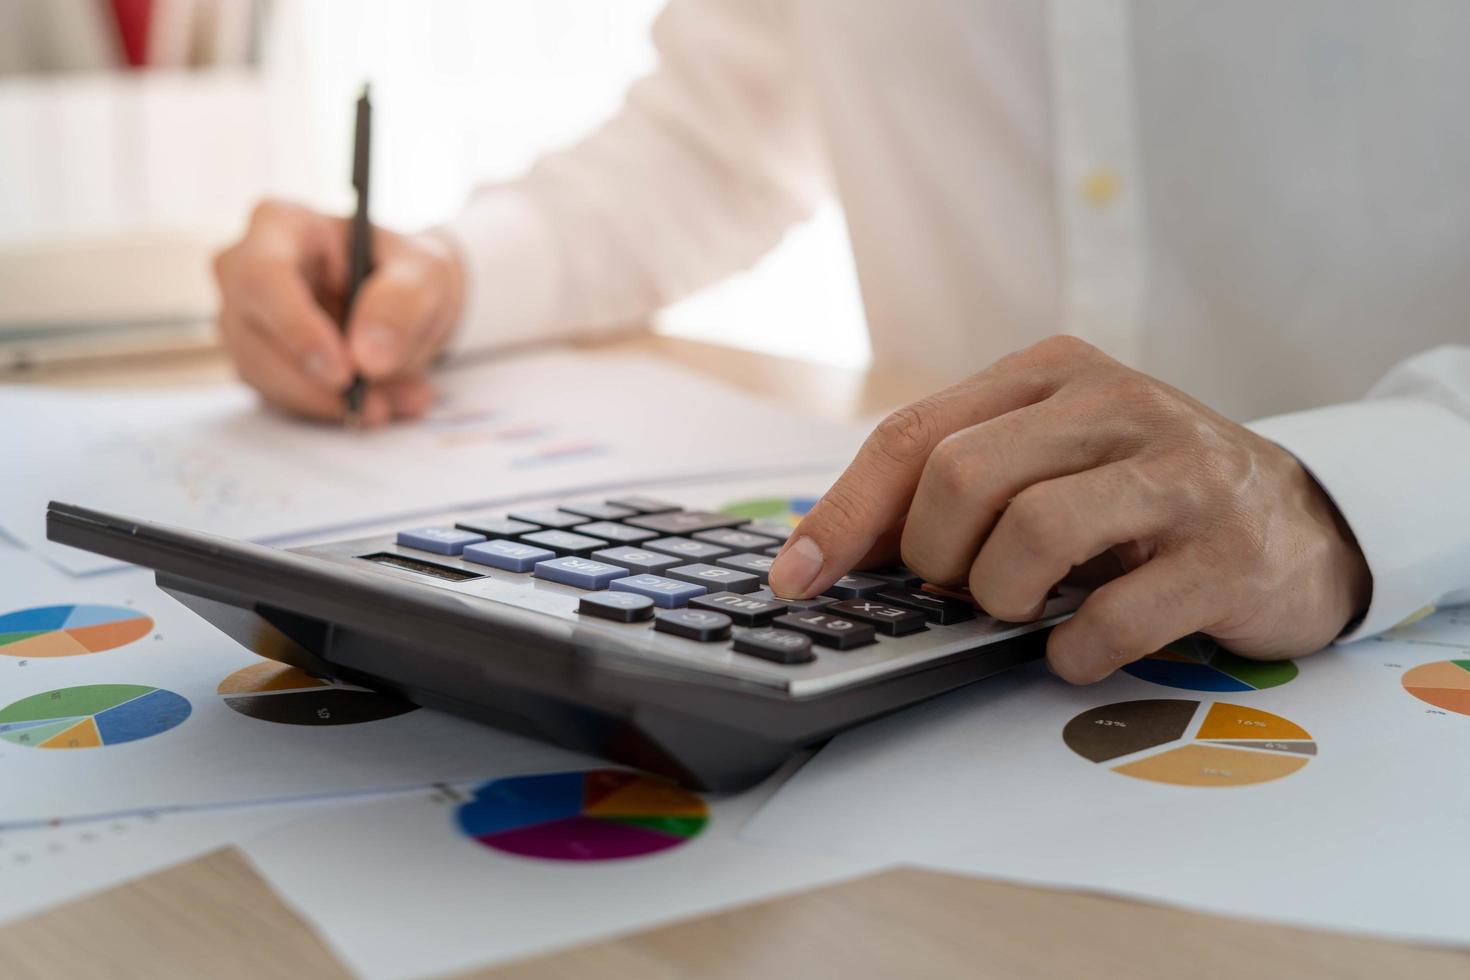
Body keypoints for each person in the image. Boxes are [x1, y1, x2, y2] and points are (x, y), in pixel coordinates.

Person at [213, 0, 1470, 684]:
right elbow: (715, 135)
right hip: (956, 622)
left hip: (1409, 628)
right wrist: (457, 273)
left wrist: (1341, 494)